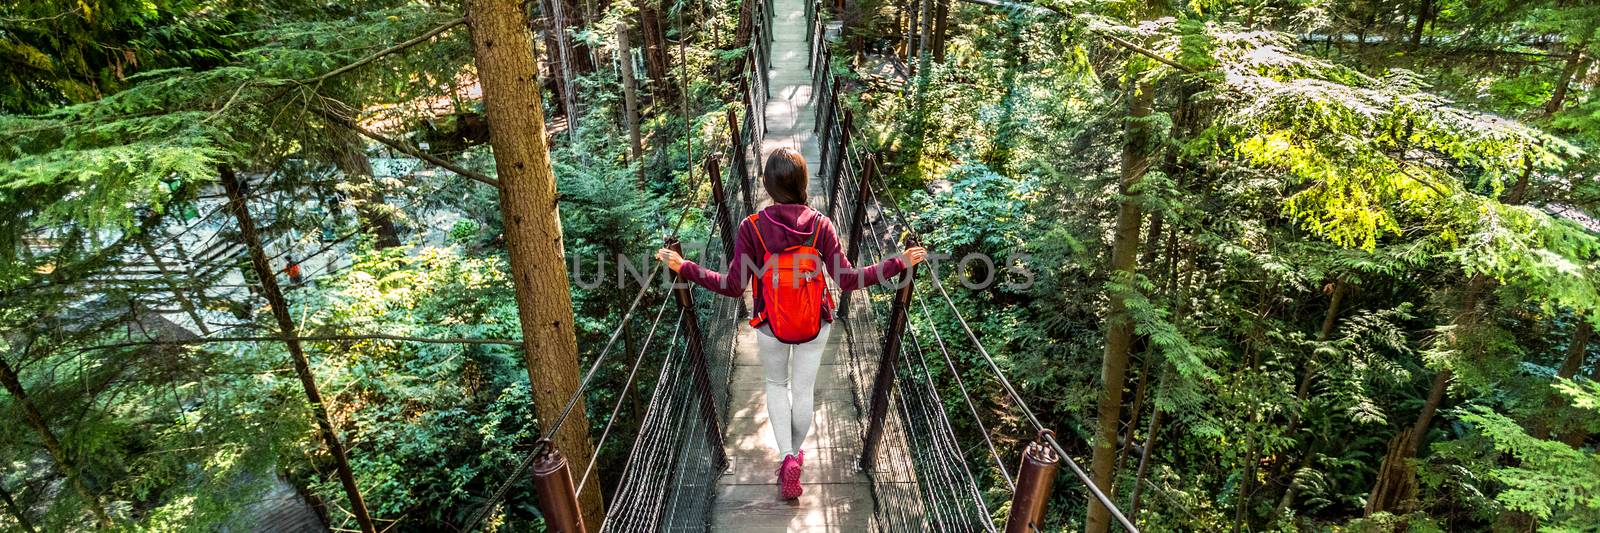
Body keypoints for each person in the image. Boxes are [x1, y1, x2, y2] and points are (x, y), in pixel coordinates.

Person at [656, 147, 927, 500]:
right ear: (804, 183)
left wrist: (685, 267)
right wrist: (898, 263)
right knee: (802, 392)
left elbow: (733, 286)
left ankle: (787, 455)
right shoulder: (821, 226)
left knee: (775, 383)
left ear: (768, 185)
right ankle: (794, 457)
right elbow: (846, 280)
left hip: (770, 322)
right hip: (815, 321)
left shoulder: (751, 228)